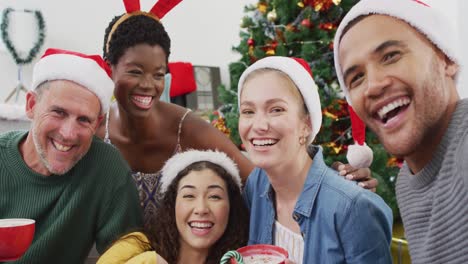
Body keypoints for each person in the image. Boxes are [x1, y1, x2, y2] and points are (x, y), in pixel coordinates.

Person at [98, 0, 376, 227]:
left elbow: (262, 183)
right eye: (135, 71)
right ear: (110, 67)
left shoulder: (187, 128)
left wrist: (338, 189)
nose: (148, 85)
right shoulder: (95, 128)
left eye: (158, 74)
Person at [333, 0, 468, 263]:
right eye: (356, 78)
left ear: (446, 59)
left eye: (391, 56)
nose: (372, 86)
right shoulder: (407, 182)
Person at [238, 56, 393, 263]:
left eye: (276, 110)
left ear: (307, 124)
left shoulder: (352, 207)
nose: (259, 125)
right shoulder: (256, 186)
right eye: (248, 111)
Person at [0, 48, 142, 263]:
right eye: (59, 112)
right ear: (31, 105)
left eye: (84, 120)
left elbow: (131, 253)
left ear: (98, 124)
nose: (68, 134)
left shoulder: (106, 168)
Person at [97, 149, 249, 264]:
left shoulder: (244, 258)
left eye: (214, 196)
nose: (201, 209)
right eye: (189, 196)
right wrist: (150, 261)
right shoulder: (136, 245)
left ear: (231, 206)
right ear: (172, 204)